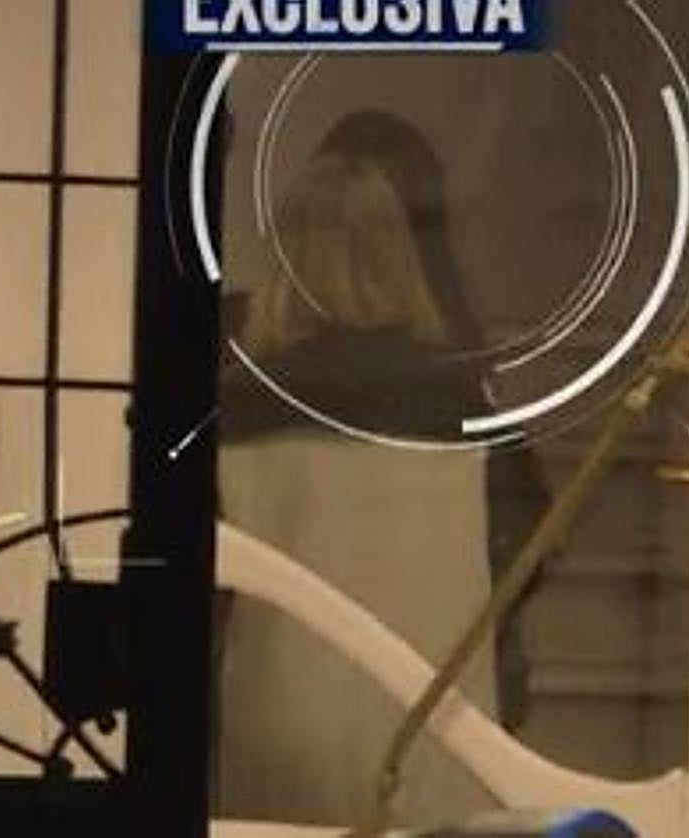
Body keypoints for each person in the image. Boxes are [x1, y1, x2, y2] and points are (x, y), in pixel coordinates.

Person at [215, 110, 550, 830]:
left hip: (275, 725)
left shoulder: (235, 406)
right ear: (405, 254)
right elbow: (527, 555)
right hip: (437, 727)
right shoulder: (462, 405)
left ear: (288, 253)